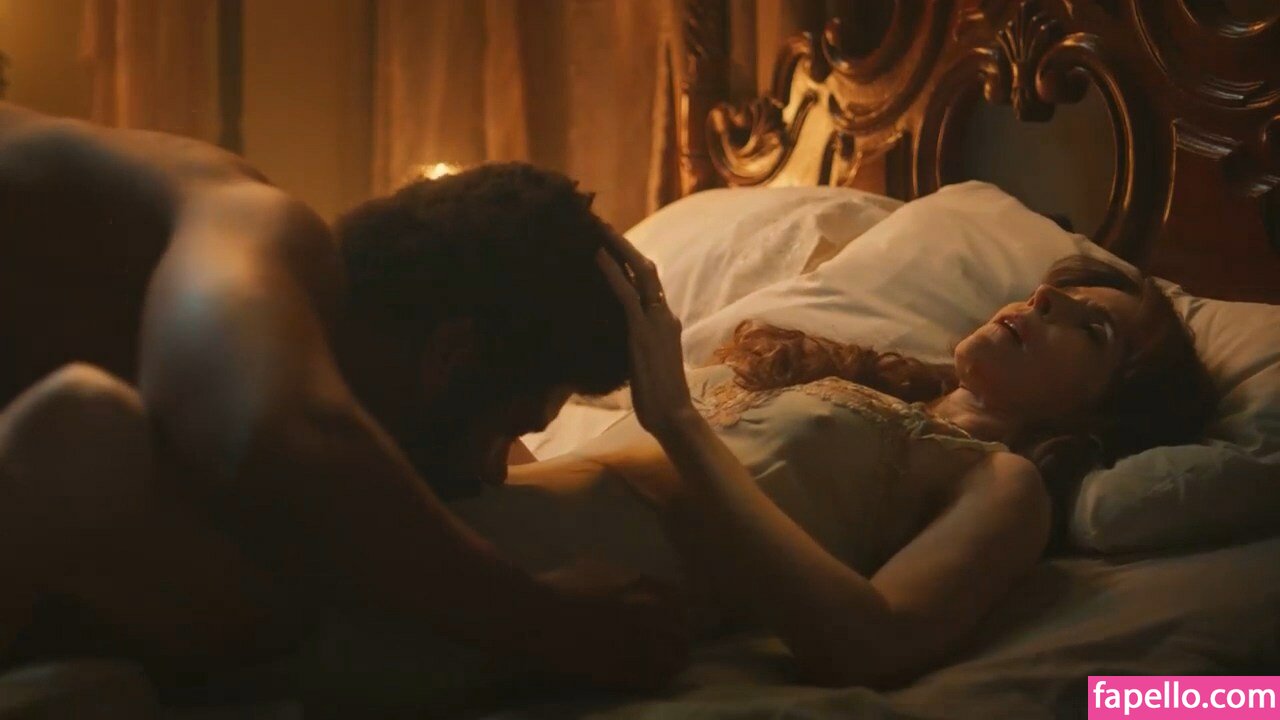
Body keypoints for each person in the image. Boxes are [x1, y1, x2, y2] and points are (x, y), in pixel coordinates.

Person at [0, 101, 688, 689]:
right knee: (90, 432)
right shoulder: (248, 218)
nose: (496, 472)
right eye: (508, 430)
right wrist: (556, 625)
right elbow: (268, 430)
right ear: (450, 356)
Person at [455, 249, 1218, 689]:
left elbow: (874, 643)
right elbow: (579, 477)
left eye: (1092, 328)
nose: (1044, 296)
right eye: (1055, 291)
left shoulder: (1003, 484)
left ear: (1099, 415)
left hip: (539, 587)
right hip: (482, 518)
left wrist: (680, 424)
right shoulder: (842, 379)